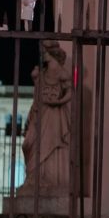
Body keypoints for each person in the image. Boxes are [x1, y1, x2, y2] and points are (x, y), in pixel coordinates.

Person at [20, 40, 72, 195]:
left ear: (51, 53)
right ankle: (34, 178)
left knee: (49, 144)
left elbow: (70, 92)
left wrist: (58, 101)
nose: (42, 54)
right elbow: (36, 97)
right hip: (39, 112)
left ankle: (47, 178)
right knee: (28, 144)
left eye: (44, 51)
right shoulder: (41, 73)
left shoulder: (62, 73)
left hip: (54, 114)